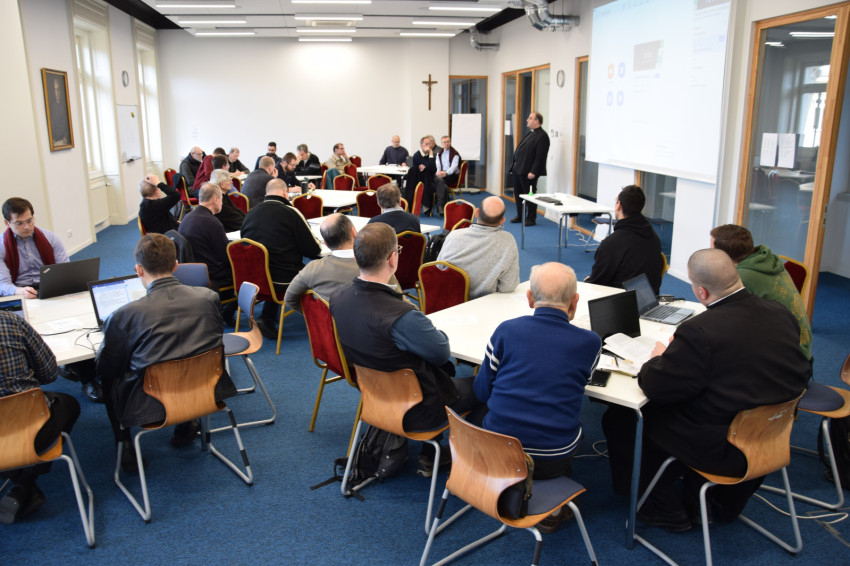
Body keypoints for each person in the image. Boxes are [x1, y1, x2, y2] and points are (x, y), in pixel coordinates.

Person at [633, 249, 810, 531]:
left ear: (700, 292)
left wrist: (658, 358)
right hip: (773, 433)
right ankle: (711, 502)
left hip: (725, 445)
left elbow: (656, 386)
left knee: (630, 418)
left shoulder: (700, 331)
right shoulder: (781, 313)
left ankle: (662, 509)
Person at [329, 223, 479, 477]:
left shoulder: (338, 296)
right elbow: (441, 353)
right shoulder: (401, 315)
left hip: (375, 398)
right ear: (392, 258)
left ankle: (437, 450)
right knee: (488, 385)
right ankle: (455, 455)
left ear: (356, 256)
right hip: (418, 409)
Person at [473, 262, 601, 533]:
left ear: (530, 298)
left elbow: (482, 392)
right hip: (552, 459)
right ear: (574, 302)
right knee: (580, 428)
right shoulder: (590, 342)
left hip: (497, 452)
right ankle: (552, 508)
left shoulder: (506, 331)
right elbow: (583, 384)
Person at [95, 234, 237, 468]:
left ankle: (124, 443)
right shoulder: (209, 298)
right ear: (175, 265)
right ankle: (187, 422)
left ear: (138, 270)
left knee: (110, 379)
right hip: (206, 389)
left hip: (150, 404)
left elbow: (107, 367)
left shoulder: (123, 315)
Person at [1, 199, 100, 401]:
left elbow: (65, 268)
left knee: (78, 324)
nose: (27, 226)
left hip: (52, 286)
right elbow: (3, 284)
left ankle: (88, 377)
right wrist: (19, 290)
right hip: (20, 293)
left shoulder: (50, 237)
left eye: (29, 220)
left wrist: (60, 284)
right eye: (19, 223)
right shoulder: (2, 246)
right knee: (29, 332)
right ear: (7, 223)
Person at [0, 311, 80, 524]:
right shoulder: (10, 321)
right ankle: (25, 481)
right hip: (31, 428)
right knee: (69, 404)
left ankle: (16, 478)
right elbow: (49, 373)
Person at [710, 224, 812, 361]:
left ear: (723, 255)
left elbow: (723, 318)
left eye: (712, 249)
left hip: (788, 358)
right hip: (800, 347)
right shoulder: (765, 260)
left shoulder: (743, 276)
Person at [240, 179, 322, 339]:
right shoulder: (291, 213)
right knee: (312, 268)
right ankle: (320, 317)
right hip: (282, 280)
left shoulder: (250, 213)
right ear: (285, 193)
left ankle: (267, 317)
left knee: (272, 264)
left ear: (266, 193)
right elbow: (313, 250)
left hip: (253, 278)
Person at [284, 213, 399, 312]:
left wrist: (315, 317)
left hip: (328, 330)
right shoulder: (375, 266)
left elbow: (289, 298)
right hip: (371, 329)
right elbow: (400, 303)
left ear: (326, 243)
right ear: (354, 233)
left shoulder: (312, 269)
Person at [585, 185, 663, 294]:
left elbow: (596, 284)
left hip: (622, 301)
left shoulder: (612, 243)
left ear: (619, 205)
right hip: (649, 298)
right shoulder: (654, 237)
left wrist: (588, 281)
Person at [437, 196, 519, 299]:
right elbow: (508, 287)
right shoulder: (508, 241)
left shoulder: (454, 235)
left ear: (476, 213)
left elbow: (438, 269)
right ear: (502, 220)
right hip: (485, 304)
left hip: (449, 301)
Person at [179, 182, 232, 291]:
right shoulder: (212, 223)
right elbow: (226, 256)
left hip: (193, 271)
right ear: (216, 199)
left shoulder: (186, 218)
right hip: (213, 274)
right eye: (221, 199)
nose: (222, 203)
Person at [509, 112, 550, 226]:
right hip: (519, 170)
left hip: (529, 172)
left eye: (530, 118)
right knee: (518, 194)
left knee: (530, 195)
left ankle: (531, 218)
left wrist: (534, 172)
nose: (527, 120)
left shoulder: (542, 136)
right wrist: (514, 167)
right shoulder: (531, 133)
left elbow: (540, 157)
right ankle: (520, 216)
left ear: (537, 121)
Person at [404, 136, 437, 215]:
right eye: (426, 144)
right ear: (421, 145)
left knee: (437, 184)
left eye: (429, 144)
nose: (428, 146)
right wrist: (427, 166)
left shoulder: (432, 155)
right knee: (428, 184)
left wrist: (431, 153)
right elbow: (427, 167)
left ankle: (431, 207)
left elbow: (433, 169)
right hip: (418, 180)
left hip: (430, 178)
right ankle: (425, 206)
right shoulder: (417, 155)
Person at [433, 135, 460, 215]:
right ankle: (443, 206)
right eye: (444, 142)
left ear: (450, 142)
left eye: (448, 142)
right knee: (442, 184)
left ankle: (441, 206)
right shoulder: (439, 153)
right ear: (441, 144)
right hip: (442, 174)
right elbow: (438, 165)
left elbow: (454, 167)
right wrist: (438, 172)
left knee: (439, 182)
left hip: (452, 175)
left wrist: (446, 173)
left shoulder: (455, 153)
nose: (447, 143)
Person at [47, 77, 70, 146]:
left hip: (64, 139)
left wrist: (66, 136)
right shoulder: (53, 107)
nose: (57, 93)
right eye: (55, 90)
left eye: (58, 90)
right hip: (55, 140)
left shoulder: (65, 106)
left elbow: (67, 123)